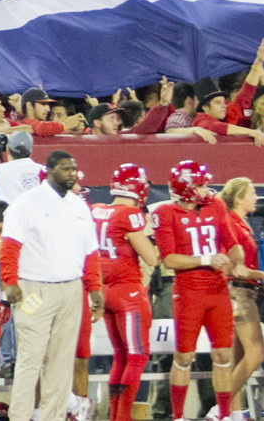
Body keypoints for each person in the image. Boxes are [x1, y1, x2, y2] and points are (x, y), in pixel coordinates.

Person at [0, 151, 103, 421]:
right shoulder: (26, 203)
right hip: (34, 290)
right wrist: (9, 281)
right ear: (50, 170)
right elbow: (9, 247)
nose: (72, 173)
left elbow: (90, 252)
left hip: (71, 290)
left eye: (74, 168)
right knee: (30, 359)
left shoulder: (79, 205)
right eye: (66, 169)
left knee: (61, 360)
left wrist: (94, 287)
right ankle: (19, 416)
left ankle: (52, 417)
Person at [154, 161, 243, 421]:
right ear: (187, 187)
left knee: (223, 354)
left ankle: (224, 415)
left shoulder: (216, 206)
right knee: (184, 357)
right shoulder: (165, 213)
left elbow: (232, 243)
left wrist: (236, 262)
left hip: (217, 289)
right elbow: (169, 259)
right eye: (201, 184)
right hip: (188, 291)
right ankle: (178, 416)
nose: (206, 189)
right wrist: (206, 260)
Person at [93, 164, 159, 421]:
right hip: (127, 290)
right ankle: (122, 417)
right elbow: (151, 258)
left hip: (104, 289)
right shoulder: (129, 214)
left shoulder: (96, 209)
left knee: (120, 356)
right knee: (137, 356)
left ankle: (115, 415)